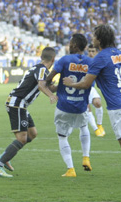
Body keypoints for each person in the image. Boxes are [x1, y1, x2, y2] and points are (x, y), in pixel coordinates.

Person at [63, 24, 121, 179]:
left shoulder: (101, 58)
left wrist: (71, 84)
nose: (92, 38)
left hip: (118, 106)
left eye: (94, 36)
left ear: (100, 39)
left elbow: (85, 84)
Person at [0, 47, 57, 178]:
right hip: (17, 103)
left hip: (21, 104)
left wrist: (64, 85)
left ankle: (5, 156)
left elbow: (48, 87)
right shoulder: (42, 69)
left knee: (32, 134)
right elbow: (41, 86)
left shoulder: (38, 68)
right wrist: (50, 95)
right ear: (53, 60)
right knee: (22, 138)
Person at [45, 34, 94, 177]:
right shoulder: (91, 62)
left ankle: (70, 169)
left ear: (74, 45)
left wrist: (49, 85)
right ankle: (86, 157)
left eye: (71, 42)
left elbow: (50, 77)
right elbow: (91, 83)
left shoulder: (65, 60)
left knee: (62, 136)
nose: (69, 44)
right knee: (84, 127)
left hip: (64, 106)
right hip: (81, 105)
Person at [86, 44, 105, 137]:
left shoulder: (98, 62)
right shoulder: (84, 62)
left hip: (91, 88)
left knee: (98, 103)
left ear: (96, 52)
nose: (91, 53)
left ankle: (99, 125)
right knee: (87, 108)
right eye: (89, 51)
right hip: (82, 88)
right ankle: (96, 129)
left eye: (93, 51)